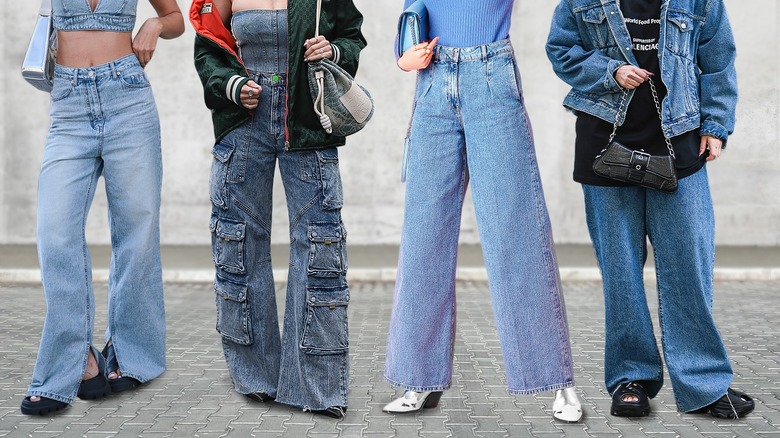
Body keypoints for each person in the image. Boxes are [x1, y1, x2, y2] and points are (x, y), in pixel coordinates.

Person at [546, 0, 754, 419]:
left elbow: (717, 59)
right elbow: (561, 50)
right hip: (605, 144)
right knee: (620, 272)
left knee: (688, 268)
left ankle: (703, 383)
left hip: (680, 141)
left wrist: (716, 125)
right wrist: (610, 72)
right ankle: (631, 378)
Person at [383, 0, 583, 422]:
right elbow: (409, 17)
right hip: (432, 87)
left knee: (517, 233)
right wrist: (404, 57)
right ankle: (418, 377)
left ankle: (557, 380)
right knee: (423, 240)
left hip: (491, 78)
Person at [190, 0, 366, 419]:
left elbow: (352, 36)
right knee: (240, 244)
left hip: (306, 121)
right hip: (243, 123)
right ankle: (257, 377)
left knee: (319, 246)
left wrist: (334, 51)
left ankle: (317, 386)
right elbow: (208, 50)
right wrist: (233, 85)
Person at [20, 0, 184, 416]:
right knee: (54, 233)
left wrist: (154, 25)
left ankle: (129, 354)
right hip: (70, 105)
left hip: (128, 98)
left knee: (138, 230)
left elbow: (177, 20)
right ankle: (75, 362)